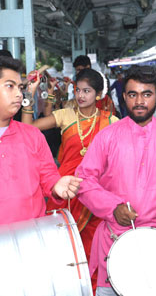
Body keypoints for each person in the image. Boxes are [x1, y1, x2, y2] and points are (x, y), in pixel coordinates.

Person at [75, 65, 156, 296]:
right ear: (124, 97)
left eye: (147, 94)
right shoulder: (107, 137)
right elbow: (84, 180)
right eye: (133, 94)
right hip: (114, 241)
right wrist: (112, 208)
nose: (139, 101)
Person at [21, 68, 119, 293]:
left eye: (87, 91)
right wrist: (28, 98)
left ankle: (94, 288)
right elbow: (27, 130)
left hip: (96, 198)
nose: (81, 95)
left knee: (95, 246)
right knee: (64, 248)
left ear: (99, 95)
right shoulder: (65, 115)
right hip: (64, 194)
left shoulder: (112, 121)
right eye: (78, 90)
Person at [0, 56, 82, 225]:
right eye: (10, 86)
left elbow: (48, 176)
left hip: (33, 237)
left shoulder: (32, 135)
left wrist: (56, 187)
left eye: (20, 87)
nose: (18, 94)